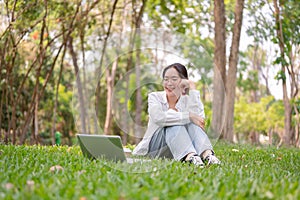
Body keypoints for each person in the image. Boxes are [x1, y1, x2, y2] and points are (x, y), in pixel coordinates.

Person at [132, 63, 221, 167]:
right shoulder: (155, 97)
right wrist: (189, 116)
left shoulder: (187, 100)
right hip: (156, 147)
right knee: (173, 123)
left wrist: (192, 88)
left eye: (174, 79)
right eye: (166, 79)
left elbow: (199, 120)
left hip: (179, 146)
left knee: (192, 124)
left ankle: (208, 155)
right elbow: (159, 118)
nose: (169, 83)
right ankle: (190, 157)